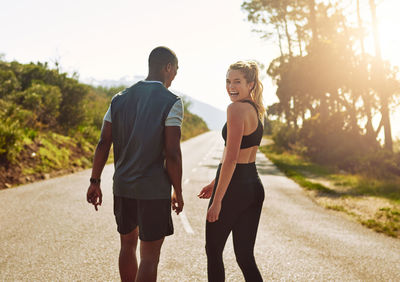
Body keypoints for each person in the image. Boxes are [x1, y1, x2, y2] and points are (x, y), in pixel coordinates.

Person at [86, 46, 184, 282]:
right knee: (150, 257)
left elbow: (103, 142)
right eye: (176, 70)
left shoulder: (119, 99)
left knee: (127, 245)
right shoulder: (172, 102)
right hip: (153, 190)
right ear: (168, 67)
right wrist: (178, 191)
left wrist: (94, 181)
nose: (175, 76)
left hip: (123, 187)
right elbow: (172, 153)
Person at [198, 61, 265, 282]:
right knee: (245, 257)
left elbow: (232, 158)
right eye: (228, 81)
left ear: (251, 84)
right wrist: (215, 182)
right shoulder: (255, 109)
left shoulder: (235, 109)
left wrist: (218, 200)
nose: (230, 86)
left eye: (237, 81)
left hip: (234, 189)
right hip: (253, 186)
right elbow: (240, 155)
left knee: (213, 251)